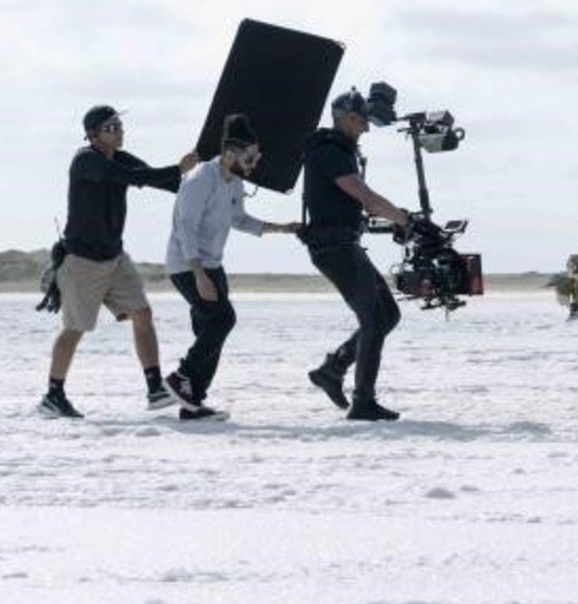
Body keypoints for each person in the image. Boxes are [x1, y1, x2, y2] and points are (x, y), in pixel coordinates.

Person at [38, 106, 199, 419]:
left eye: (120, 125)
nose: (119, 131)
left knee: (142, 313)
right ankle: (53, 396)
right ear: (93, 134)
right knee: (74, 329)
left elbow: (163, 181)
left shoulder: (120, 157)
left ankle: (154, 388)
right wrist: (177, 169)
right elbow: (131, 178)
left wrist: (206, 173)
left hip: (115, 257)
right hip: (82, 262)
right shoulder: (86, 160)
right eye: (112, 127)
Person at [163, 114, 302, 422]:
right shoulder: (200, 179)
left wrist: (283, 228)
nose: (254, 164)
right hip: (186, 264)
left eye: (257, 157)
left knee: (209, 331)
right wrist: (198, 274)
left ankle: (193, 403)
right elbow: (185, 227)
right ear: (229, 154)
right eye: (250, 158)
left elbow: (239, 219)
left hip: (212, 263)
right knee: (223, 319)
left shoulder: (235, 182)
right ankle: (180, 377)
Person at [300, 88, 412, 421]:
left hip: (342, 245)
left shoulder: (340, 150)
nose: (365, 128)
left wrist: (395, 218)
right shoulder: (331, 152)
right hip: (334, 247)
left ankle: (332, 369)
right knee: (373, 319)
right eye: (361, 121)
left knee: (387, 314)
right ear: (345, 118)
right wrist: (404, 218)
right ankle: (363, 402)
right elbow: (367, 198)